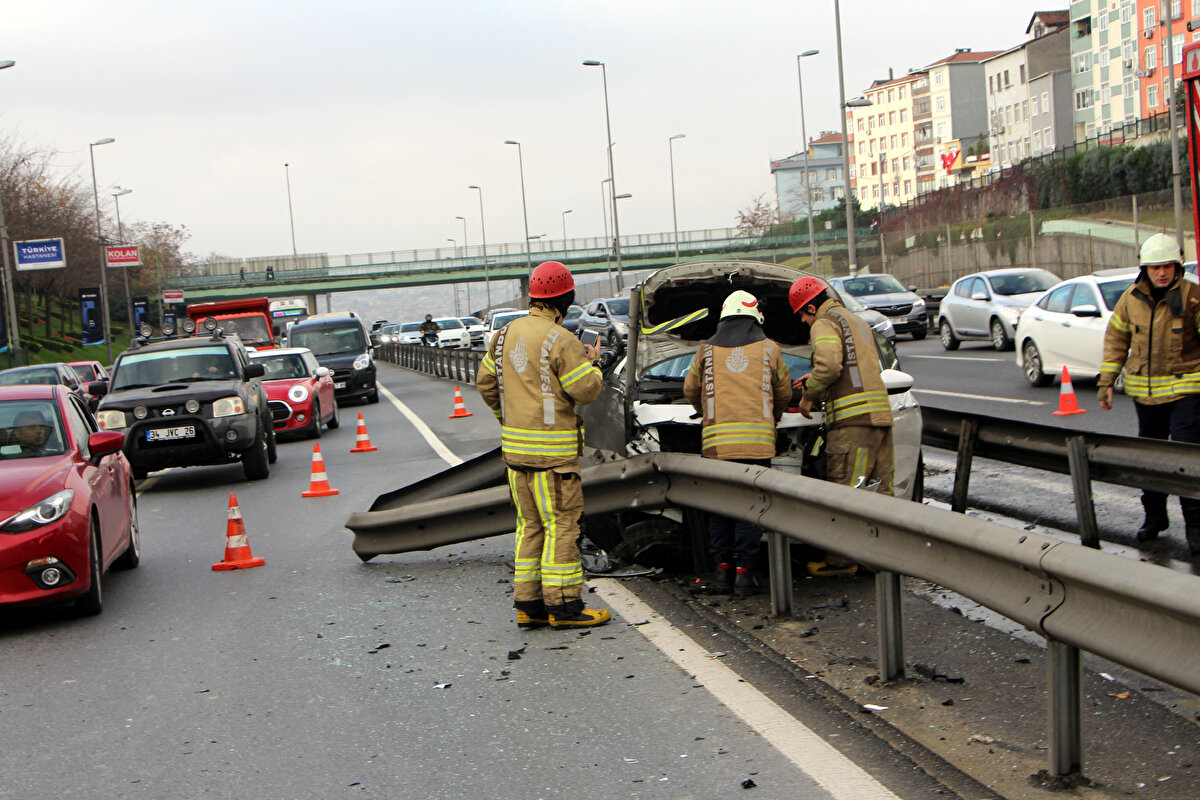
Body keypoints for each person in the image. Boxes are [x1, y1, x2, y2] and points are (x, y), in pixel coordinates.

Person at [477, 261, 607, 629]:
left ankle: (529, 606)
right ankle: (564, 607)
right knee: (561, 527)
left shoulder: (502, 336)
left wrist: (509, 419)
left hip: (516, 455)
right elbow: (585, 389)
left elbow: (486, 383)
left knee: (530, 526)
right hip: (553, 459)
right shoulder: (561, 340)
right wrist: (594, 364)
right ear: (565, 298)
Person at [682, 290, 791, 594]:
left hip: (717, 445)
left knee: (720, 507)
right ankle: (747, 572)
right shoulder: (770, 349)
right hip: (758, 445)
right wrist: (773, 415)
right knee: (750, 507)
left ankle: (723, 571)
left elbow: (690, 389)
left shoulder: (705, 350)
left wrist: (707, 411)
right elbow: (783, 391)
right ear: (756, 318)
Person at [1098, 233, 1200, 553]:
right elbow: (1116, 341)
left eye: (1168, 266)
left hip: (1186, 392)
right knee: (1150, 461)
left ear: (1177, 266)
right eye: (1156, 267)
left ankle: (1196, 529)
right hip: (1146, 395)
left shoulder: (1193, 295)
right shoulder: (1130, 299)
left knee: (1186, 461)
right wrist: (1106, 382)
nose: (1162, 272)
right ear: (1145, 268)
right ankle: (1154, 518)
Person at [789, 276, 895, 576]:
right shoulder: (857, 321)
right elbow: (853, 368)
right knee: (880, 493)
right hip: (880, 419)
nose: (805, 323)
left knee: (846, 493)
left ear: (811, 306)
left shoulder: (824, 323)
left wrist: (809, 392)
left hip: (852, 425)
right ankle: (880, 560)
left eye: (803, 316)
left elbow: (830, 366)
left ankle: (841, 561)